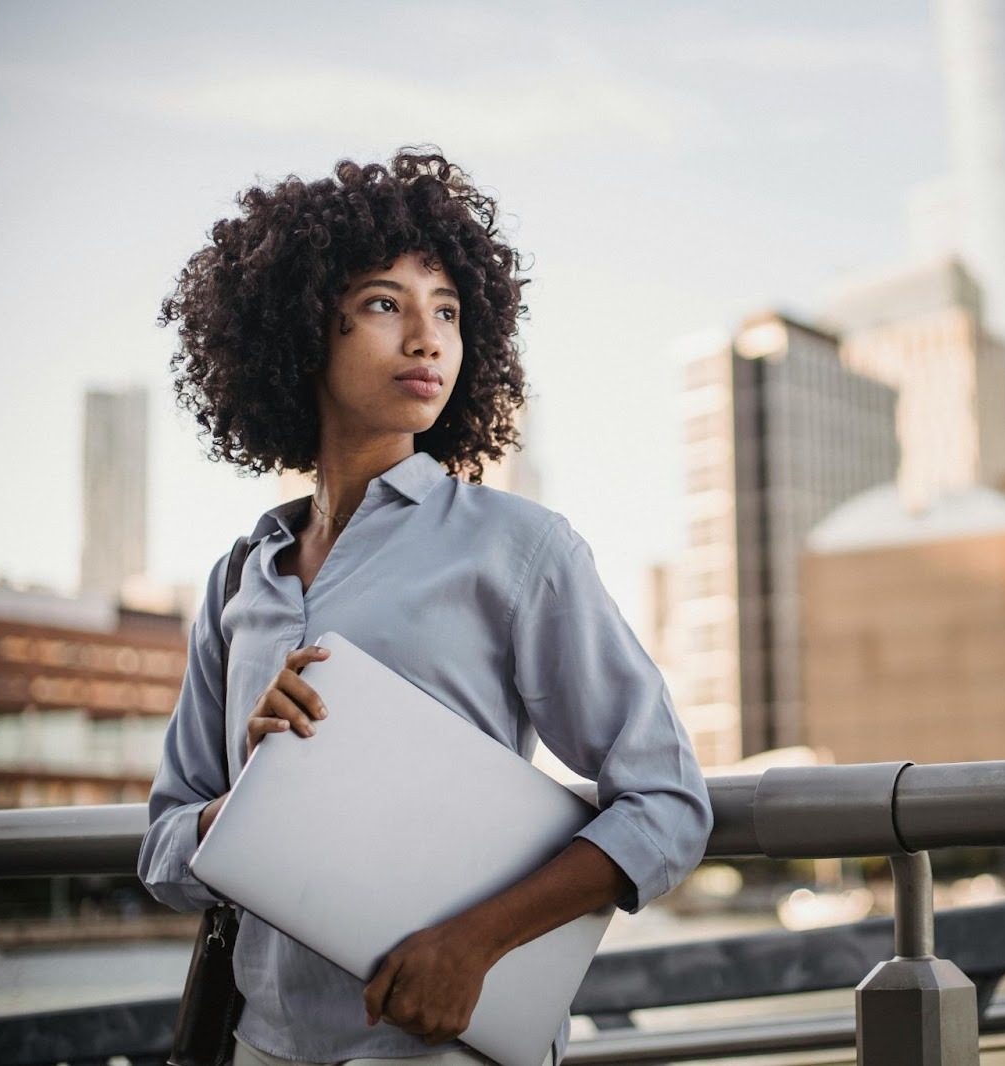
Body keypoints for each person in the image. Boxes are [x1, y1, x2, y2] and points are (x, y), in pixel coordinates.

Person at [137, 150, 712, 1066]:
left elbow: (669, 804)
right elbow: (166, 848)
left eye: (446, 310)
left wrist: (476, 944)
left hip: (437, 1051)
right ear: (299, 333)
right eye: (382, 303)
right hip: (257, 1045)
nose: (426, 338)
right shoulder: (240, 577)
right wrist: (252, 797)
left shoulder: (520, 549)